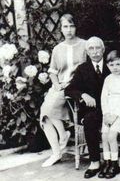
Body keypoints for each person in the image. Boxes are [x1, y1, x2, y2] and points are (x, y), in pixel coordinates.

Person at [65, 37, 120, 179]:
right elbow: (69, 89)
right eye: (91, 49)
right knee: (89, 120)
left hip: (116, 107)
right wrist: (83, 95)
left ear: (103, 49)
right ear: (87, 52)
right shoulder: (82, 69)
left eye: (97, 48)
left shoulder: (112, 64)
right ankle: (95, 161)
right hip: (95, 110)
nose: (94, 52)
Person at [40, 14, 87, 167]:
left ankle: (61, 140)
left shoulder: (84, 45)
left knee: (48, 108)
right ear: (61, 29)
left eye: (71, 26)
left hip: (75, 87)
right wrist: (56, 84)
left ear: (76, 27)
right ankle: (57, 149)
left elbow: (88, 70)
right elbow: (53, 71)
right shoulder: (57, 49)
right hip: (59, 86)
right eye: (65, 26)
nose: (68, 30)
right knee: (44, 115)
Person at [99, 50, 120, 178]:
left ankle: (114, 164)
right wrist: (106, 113)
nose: (115, 68)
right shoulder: (108, 79)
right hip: (108, 112)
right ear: (108, 66)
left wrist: (115, 115)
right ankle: (107, 163)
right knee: (104, 136)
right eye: (112, 65)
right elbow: (104, 97)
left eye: (118, 64)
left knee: (112, 136)